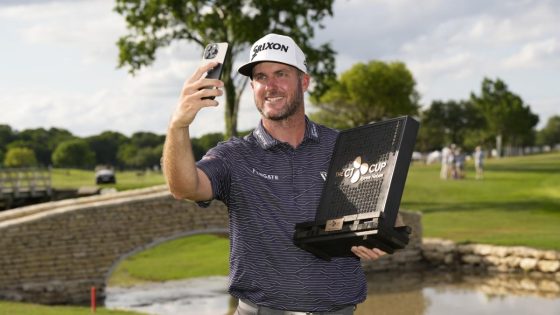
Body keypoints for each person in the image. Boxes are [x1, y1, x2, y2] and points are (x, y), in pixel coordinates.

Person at [162, 33, 386, 314]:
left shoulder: (344, 147)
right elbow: (184, 187)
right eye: (261, 77)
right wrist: (178, 126)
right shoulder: (233, 155)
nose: (270, 86)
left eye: (281, 73)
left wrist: (376, 233)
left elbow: (382, 208)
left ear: (304, 81)